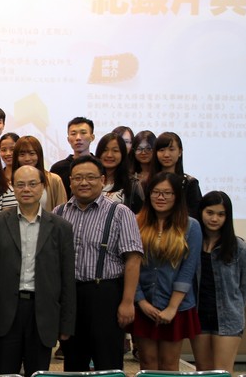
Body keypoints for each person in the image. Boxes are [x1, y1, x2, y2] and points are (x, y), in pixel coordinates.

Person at [53, 155, 143, 372]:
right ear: (71, 181)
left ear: (102, 180)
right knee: (73, 361)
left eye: (91, 177)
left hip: (105, 294)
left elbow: (133, 259)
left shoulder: (120, 212)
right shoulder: (59, 213)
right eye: (78, 178)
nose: (84, 183)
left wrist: (128, 302)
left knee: (108, 362)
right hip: (70, 295)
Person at [0, 165, 75, 377]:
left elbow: (67, 278)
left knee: (38, 373)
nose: (27, 189)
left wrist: (66, 323)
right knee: (3, 373)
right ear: (12, 187)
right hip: (5, 312)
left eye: (33, 184)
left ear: (43, 186)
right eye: (20, 184)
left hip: (42, 312)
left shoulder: (61, 227)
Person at [133, 172, 203, 371]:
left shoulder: (191, 226)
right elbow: (130, 265)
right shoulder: (136, 221)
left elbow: (188, 270)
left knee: (169, 364)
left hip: (176, 307)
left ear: (177, 197)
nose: (160, 197)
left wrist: (172, 307)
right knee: (147, 362)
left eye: (167, 193)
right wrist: (141, 301)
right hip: (143, 304)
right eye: (155, 192)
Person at [191, 191, 246, 375]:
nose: (214, 218)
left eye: (221, 214)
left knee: (222, 372)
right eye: (210, 212)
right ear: (201, 212)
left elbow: (245, 287)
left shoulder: (239, 248)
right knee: (202, 370)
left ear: (228, 217)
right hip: (198, 316)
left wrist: (234, 307)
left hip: (228, 319)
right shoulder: (192, 243)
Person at [151, 132, 202, 214]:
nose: (166, 155)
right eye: (161, 150)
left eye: (171, 149)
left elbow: (195, 214)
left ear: (180, 152)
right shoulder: (149, 181)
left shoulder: (189, 183)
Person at [11, 136, 67, 211]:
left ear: (39, 155)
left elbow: (62, 211)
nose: (27, 158)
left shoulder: (54, 180)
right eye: (22, 154)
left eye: (32, 153)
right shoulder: (7, 181)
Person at [95, 133, 144, 214]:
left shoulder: (133, 184)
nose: (109, 155)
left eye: (115, 150)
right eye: (105, 150)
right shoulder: (90, 181)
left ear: (123, 154)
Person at [50, 117, 96, 198]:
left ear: (92, 137)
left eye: (83, 133)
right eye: (73, 134)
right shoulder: (58, 168)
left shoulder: (99, 165)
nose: (78, 138)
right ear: (68, 139)